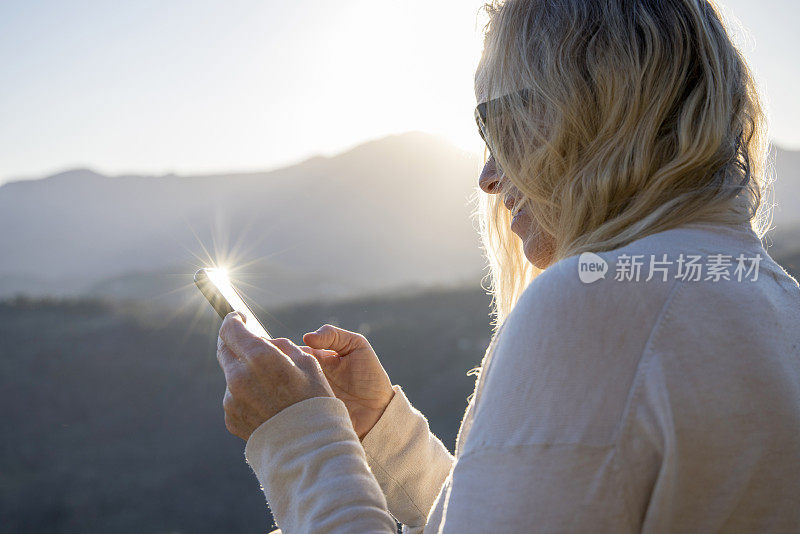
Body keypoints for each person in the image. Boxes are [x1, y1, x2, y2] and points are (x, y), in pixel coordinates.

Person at [215, 0, 800, 532]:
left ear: (589, 110)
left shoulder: (594, 304)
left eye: (498, 126)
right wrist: (380, 436)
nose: (488, 177)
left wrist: (298, 439)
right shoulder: (773, 298)